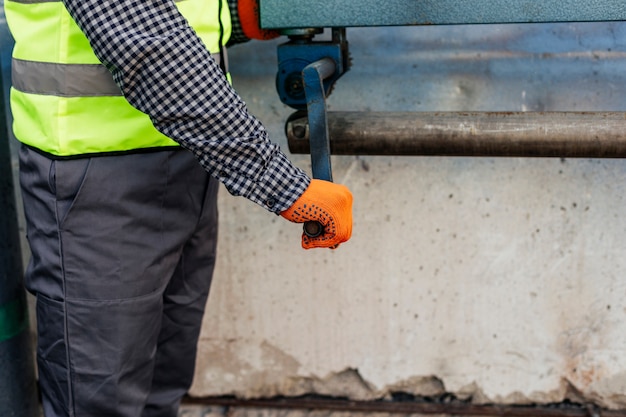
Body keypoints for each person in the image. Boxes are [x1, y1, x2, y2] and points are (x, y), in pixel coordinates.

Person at [4, 0, 353, 415]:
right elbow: (146, 41)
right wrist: (279, 183)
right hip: (94, 181)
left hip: (189, 158)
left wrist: (234, 19)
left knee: (162, 389)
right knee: (99, 401)